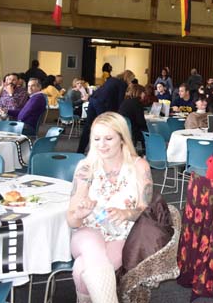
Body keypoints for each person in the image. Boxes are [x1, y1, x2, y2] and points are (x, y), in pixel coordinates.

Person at [66, 112, 152, 303]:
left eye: (108, 138)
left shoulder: (139, 166)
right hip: (87, 232)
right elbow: (71, 220)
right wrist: (79, 214)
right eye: (96, 139)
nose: (101, 144)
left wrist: (127, 213)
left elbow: (145, 211)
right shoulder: (86, 167)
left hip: (122, 236)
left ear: (122, 138)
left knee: (82, 269)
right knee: (91, 246)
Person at [77, 71, 135, 154]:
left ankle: (80, 151)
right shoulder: (122, 84)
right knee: (105, 128)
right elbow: (120, 101)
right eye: (131, 79)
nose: (131, 82)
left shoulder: (111, 80)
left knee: (88, 126)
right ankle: (102, 151)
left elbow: (101, 90)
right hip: (102, 105)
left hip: (93, 101)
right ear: (128, 78)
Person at [118, 83, 148, 151]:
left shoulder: (125, 101)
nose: (144, 94)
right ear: (140, 92)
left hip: (123, 128)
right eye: (143, 92)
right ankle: (146, 151)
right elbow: (141, 122)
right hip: (133, 131)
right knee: (147, 131)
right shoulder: (137, 103)